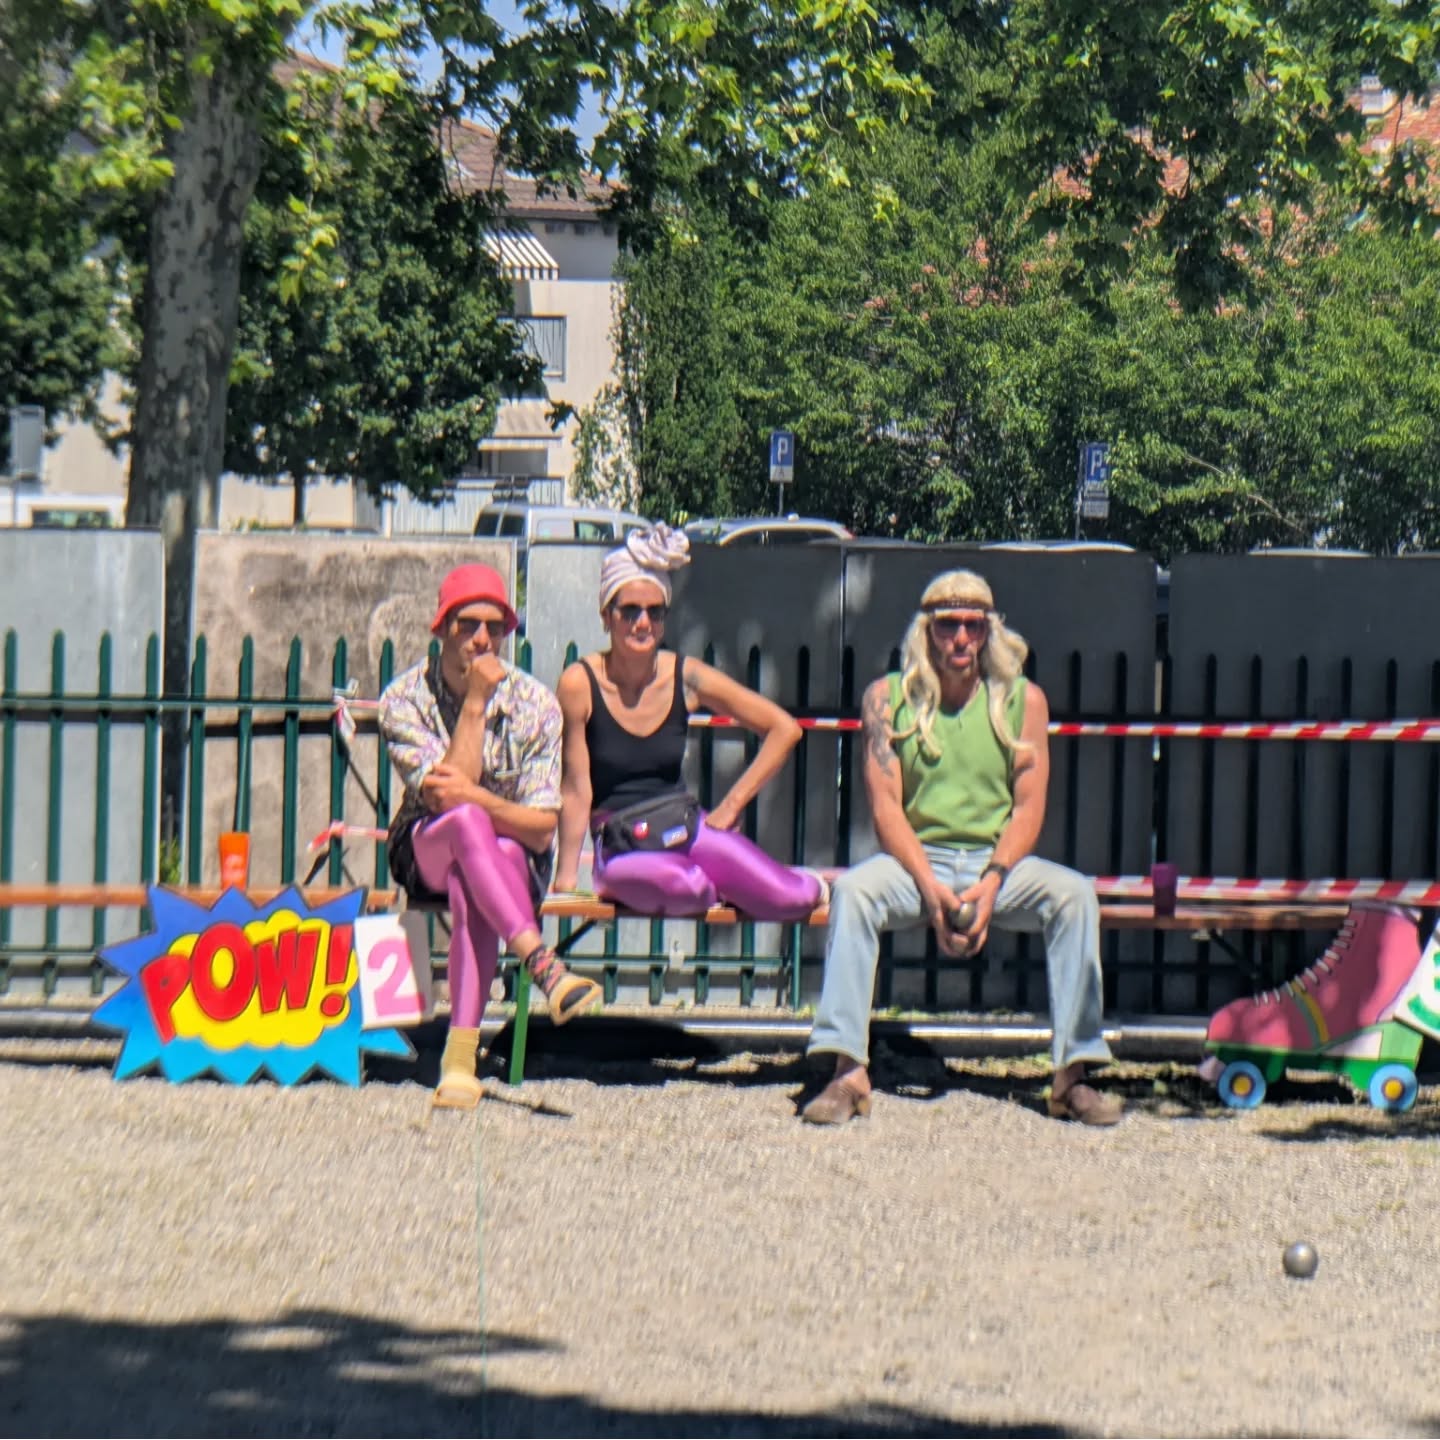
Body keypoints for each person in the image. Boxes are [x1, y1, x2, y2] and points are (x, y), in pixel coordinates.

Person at [802, 568, 1122, 1126]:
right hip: (915, 862)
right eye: (948, 625)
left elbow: (1028, 808)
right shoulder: (885, 699)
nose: (961, 639)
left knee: (1073, 894)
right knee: (853, 892)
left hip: (996, 863)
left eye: (973, 626)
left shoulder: (1025, 700)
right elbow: (886, 809)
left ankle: (1072, 1077)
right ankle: (847, 1071)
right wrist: (930, 891)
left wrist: (992, 883)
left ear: (989, 631)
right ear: (926, 631)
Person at [380, 563, 602, 1108]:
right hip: (424, 846)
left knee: (476, 862)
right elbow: (441, 802)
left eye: (495, 627)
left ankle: (459, 1063)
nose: (482, 639)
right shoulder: (404, 698)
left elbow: (542, 829)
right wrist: (476, 702)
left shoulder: (535, 704)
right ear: (441, 628)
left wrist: (477, 801)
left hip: (511, 857)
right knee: (464, 827)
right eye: (468, 625)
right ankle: (540, 962)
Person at [554, 525, 826, 920]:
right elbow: (576, 788)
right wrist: (565, 876)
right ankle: (707, 883)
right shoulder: (580, 683)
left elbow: (784, 729)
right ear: (606, 617)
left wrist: (731, 805)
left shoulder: (685, 675)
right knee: (691, 888)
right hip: (622, 845)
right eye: (630, 611)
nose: (642, 623)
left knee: (793, 897)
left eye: (655, 612)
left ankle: (813, 885)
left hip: (684, 825)